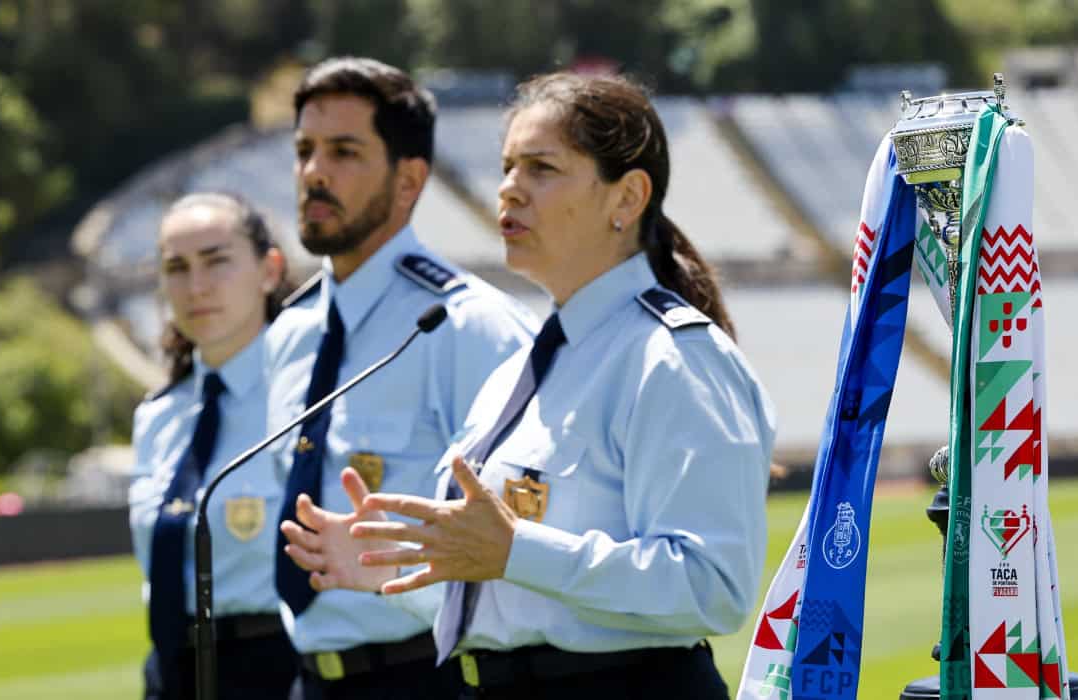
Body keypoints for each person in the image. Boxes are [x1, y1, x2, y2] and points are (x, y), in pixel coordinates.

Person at [283, 72, 777, 699]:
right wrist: (390, 568)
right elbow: (511, 602)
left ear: (626, 198)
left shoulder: (672, 358)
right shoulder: (524, 370)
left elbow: (715, 588)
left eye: (541, 168)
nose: (509, 189)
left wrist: (519, 550)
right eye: (508, 166)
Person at [266, 57, 536, 700]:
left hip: (429, 676)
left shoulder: (470, 327)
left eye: (344, 151)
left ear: (409, 179)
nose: (314, 173)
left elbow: (523, 543)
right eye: (304, 150)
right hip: (306, 679)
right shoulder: (286, 333)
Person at [128, 192, 300, 699]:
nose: (196, 286)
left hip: (277, 673)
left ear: (269, 270)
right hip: (171, 674)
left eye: (217, 260)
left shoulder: (308, 398)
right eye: (176, 267)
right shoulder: (157, 415)